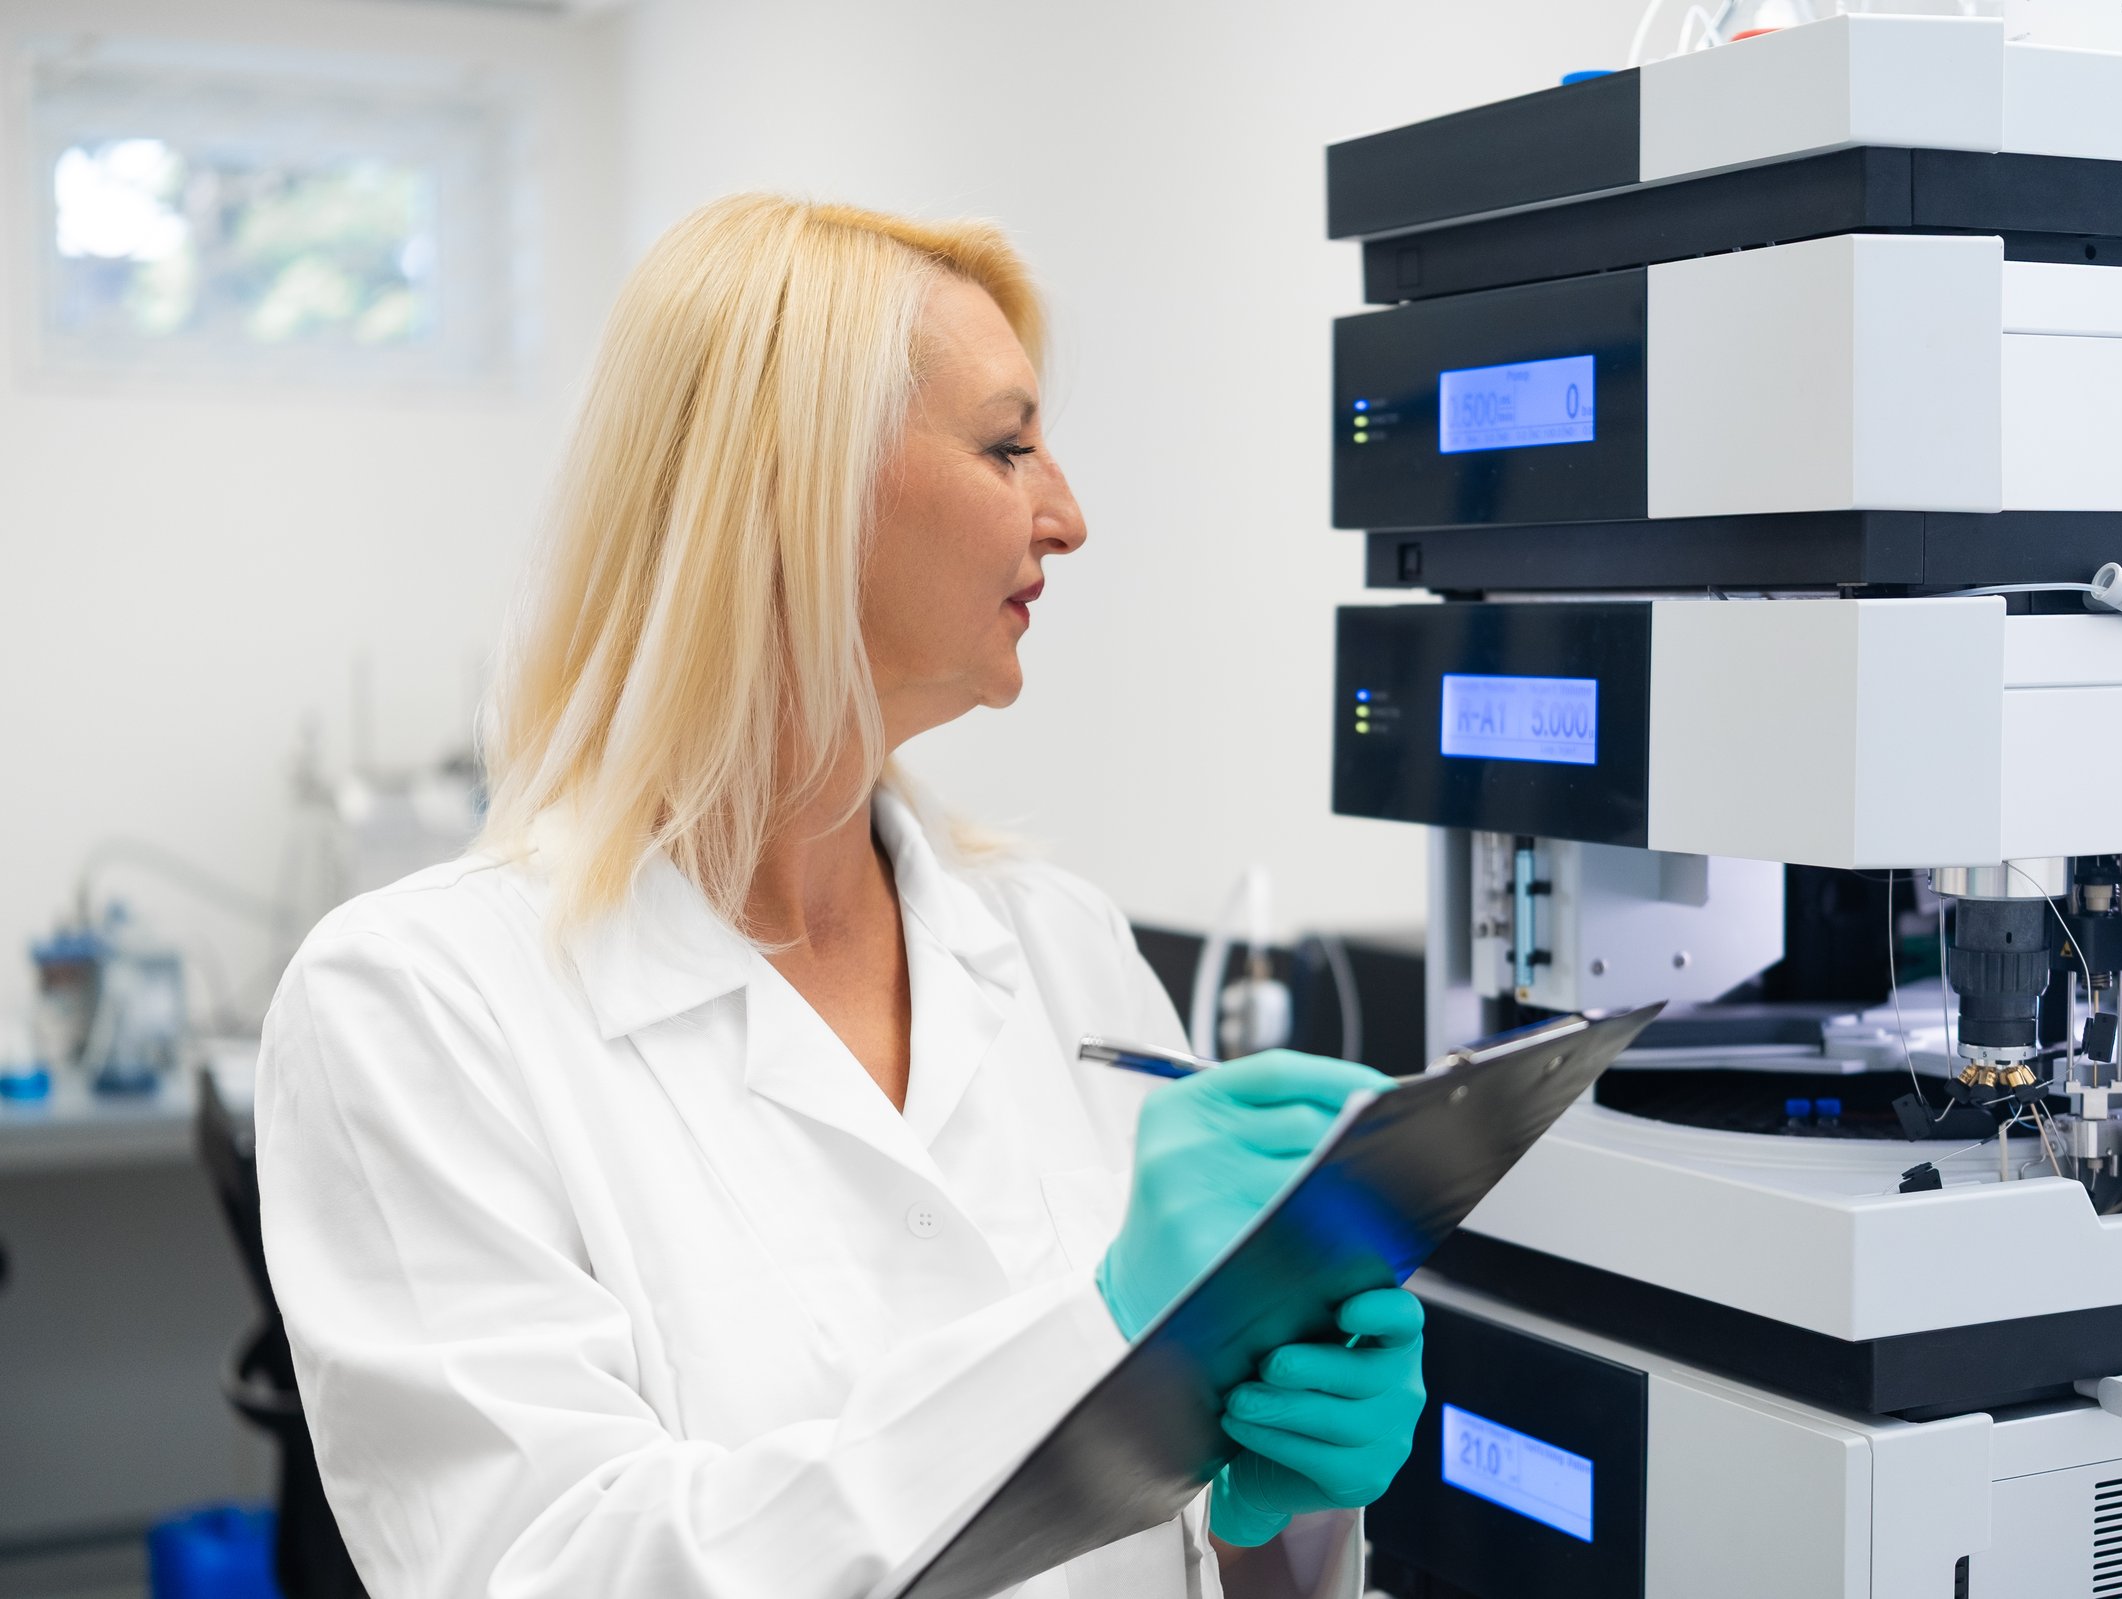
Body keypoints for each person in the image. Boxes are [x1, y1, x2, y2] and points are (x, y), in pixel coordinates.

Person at [253, 196, 1424, 1599]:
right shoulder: (415, 1002)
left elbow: (1185, 1562)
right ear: (792, 494)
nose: (1069, 515)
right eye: (1007, 446)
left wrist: (1268, 1513)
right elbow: (548, 1570)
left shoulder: (1059, 947)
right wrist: (1096, 1343)